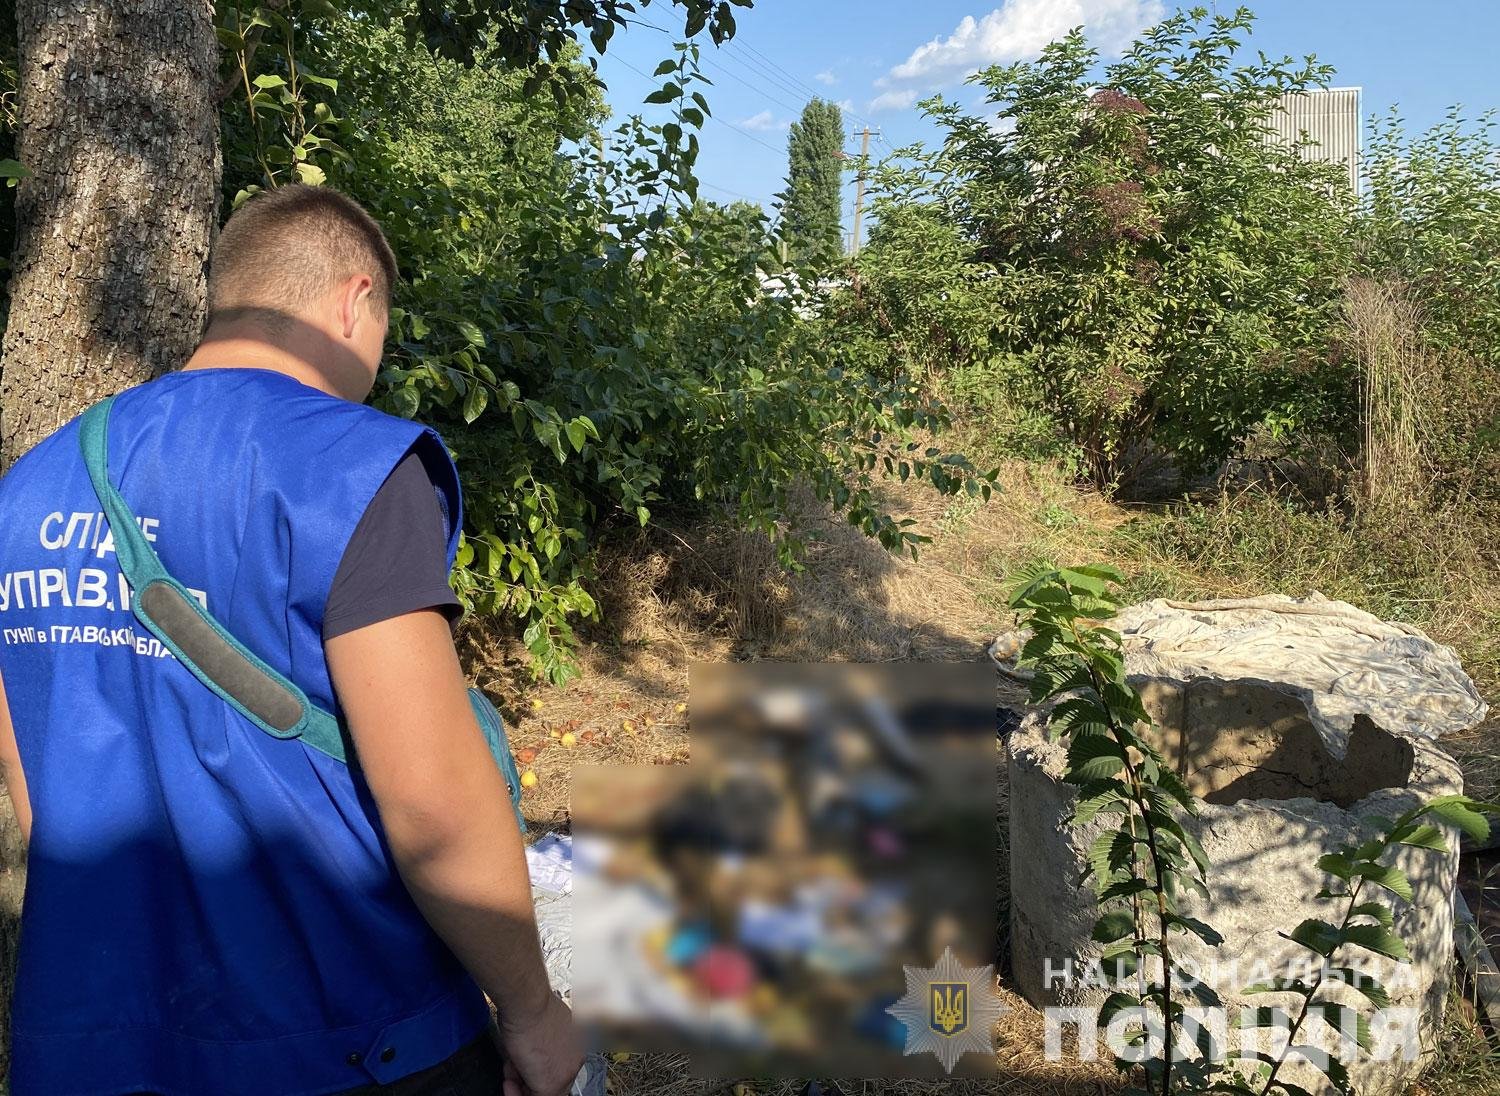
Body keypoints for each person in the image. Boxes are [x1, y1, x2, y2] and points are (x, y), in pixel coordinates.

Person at [0, 184, 582, 1095]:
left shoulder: (31, 484)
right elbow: (433, 804)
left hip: (101, 1041)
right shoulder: (351, 465)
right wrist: (533, 1011)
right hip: (353, 1034)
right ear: (355, 301)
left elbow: (35, 779)